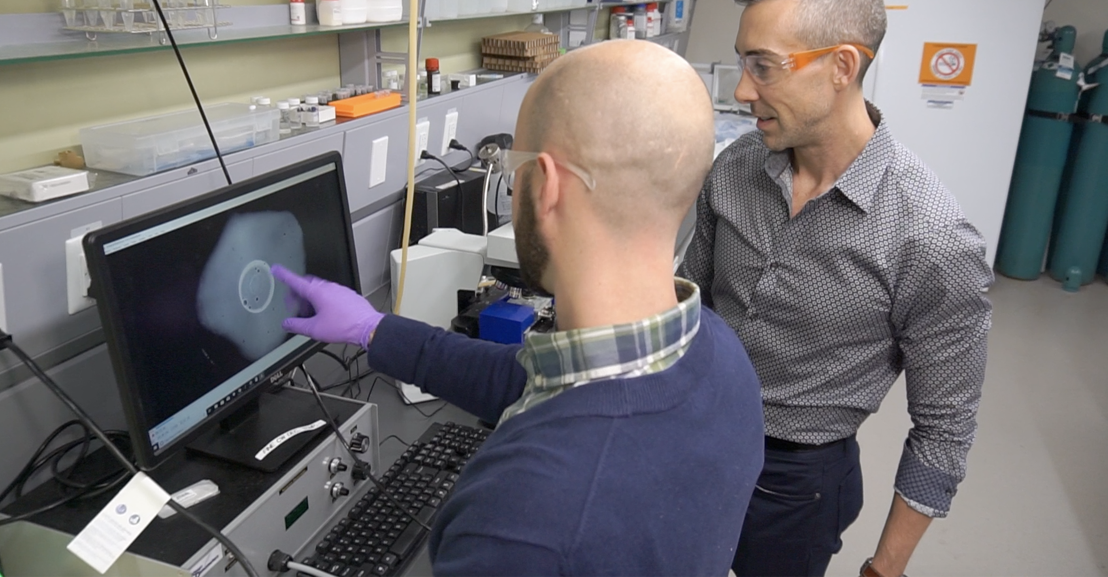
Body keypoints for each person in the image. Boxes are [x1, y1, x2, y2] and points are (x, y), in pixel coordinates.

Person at [274, 40, 765, 577]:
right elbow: (529, 380)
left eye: (515, 169)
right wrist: (372, 329)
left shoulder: (524, 522)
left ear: (548, 187)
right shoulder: (721, 355)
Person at [679, 0, 993, 577]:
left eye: (763, 67)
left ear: (841, 66)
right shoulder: (736, 167)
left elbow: (944, 428)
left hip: (795, 482)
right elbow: (693, 304)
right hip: (697, 434)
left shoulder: (929, 238)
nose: (742, 91)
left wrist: (885, 567)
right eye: (743, 63)